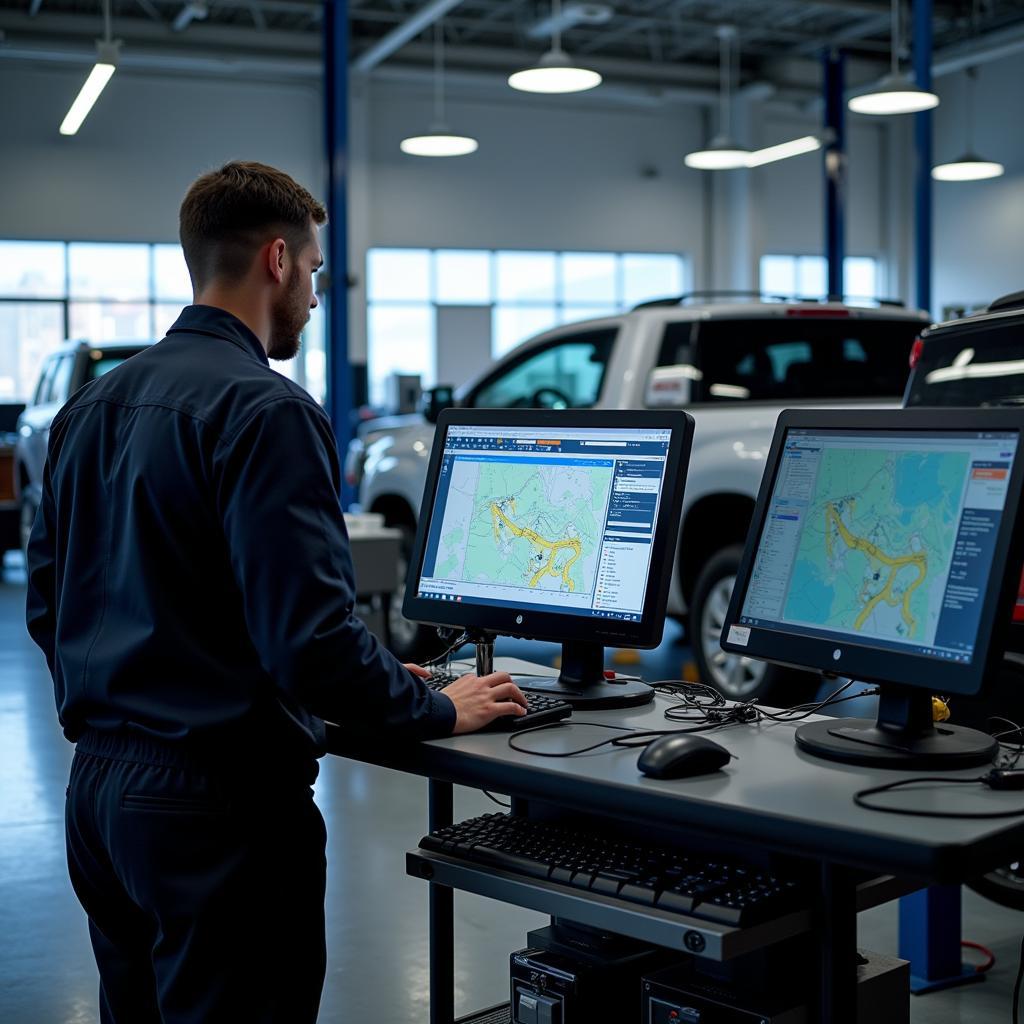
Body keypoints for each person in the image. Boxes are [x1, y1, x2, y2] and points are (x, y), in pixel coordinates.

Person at [25, 160, 527, 1024]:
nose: (316, 297)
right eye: (318, 273)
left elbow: (50, 603)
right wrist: (439, 711)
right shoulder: (268, 411)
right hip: (218, 813)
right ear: (278, 260)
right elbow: (311, 644)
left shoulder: (90, 409)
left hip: (100, 799)